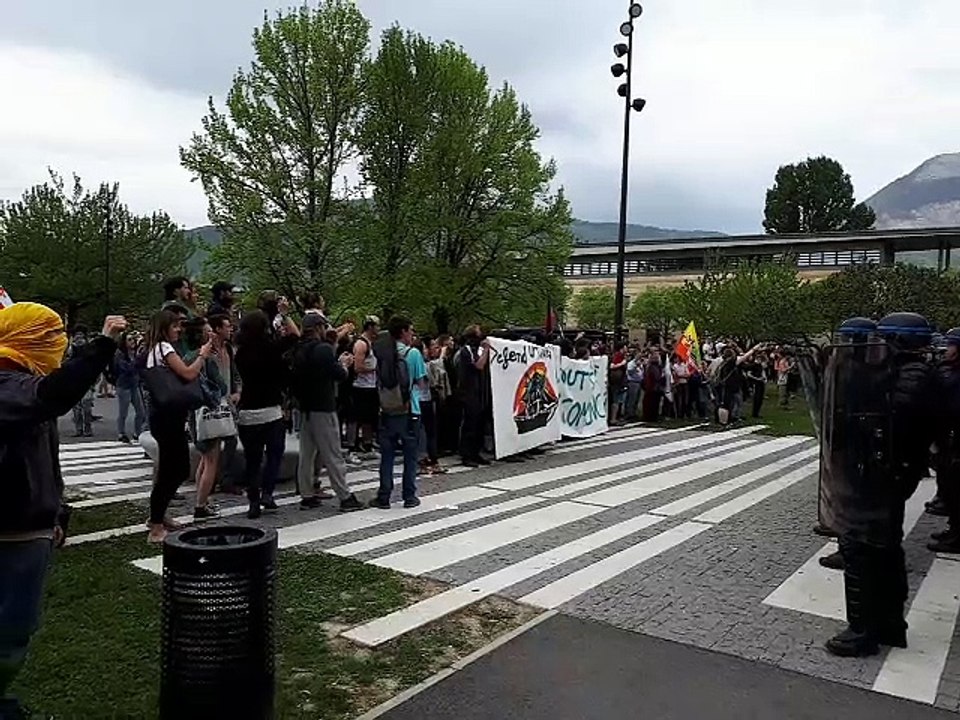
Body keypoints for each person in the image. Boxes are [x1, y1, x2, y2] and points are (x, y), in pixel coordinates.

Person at [0, 304, 126, 719]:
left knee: (17, 631)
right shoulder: (8, 386)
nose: (60, 343)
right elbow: (53, 395)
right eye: (52, 335)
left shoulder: (25, 381)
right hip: (10, 533)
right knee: (9, 635)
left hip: (32, 527)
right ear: (29, 338)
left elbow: (46, 459)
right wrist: (103, 345)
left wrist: (58, 511)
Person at [823, 312, 935, 657]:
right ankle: (887, 624)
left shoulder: (910, 376)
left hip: (882, 476)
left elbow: (887, 426)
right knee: (883, 549)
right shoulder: (900, 372)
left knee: (862, 550)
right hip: (881, 475)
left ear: (899, 342)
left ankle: (863, 630)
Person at [144, 310, 214, 542]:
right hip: (168, 417)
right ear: (164, 328)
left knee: (173, 468)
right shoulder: (164, 348)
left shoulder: (153, 351)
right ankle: (155, 524)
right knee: (174, 470)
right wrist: (202, 355)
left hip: (162, 416)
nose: (178, 330)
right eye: (175, 326)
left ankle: (159, 515)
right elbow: (188, 373)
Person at [290, 314, 363, 512]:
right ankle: (345, 496)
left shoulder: (299, 348)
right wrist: (344, 364)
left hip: (305, 407)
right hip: (323, 406)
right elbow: (338, 374)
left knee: (307, 454)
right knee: (332, 453)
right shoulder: (322, 349)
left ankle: (306, 495)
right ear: (318, 327)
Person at [234, 308, 300, 519]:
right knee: (274, 455)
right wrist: (284, 315)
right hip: (271, 410)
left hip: (248, 411)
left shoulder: (241, 353)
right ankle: (268, 493)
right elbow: (295, 335)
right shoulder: (271, 349)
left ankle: (253, 501)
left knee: (252, 460)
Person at [371, 316, 428, 509]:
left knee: (386, 455)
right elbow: (421, 383)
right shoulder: (413, 354)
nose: (412, 334)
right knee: (410, 455)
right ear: (403, 331)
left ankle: (384, 496)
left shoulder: (382, 352)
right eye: (411, 330)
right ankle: (409, 496)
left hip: (387, 409)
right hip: (409, 409)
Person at [183, 320, 228, 521]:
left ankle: (202, 500)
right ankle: (201, 506)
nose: (212, 335)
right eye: (208, 332)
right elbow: (221, 386)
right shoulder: (206, 360)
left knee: (204, 459)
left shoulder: (185, 357)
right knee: (211, 461)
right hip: (208, 412)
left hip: (194, 413)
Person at [929, 327, 960, 554]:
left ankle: (957, 537)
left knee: (957, 488)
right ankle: (954, 529)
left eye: (950, 346)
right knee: (950, 486)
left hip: (956, 439)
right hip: (949, 438)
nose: (946, 350)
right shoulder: (950, 370)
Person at [458, 326, 492, 467]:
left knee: (479, 425)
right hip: (470, 393)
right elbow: (478, 365)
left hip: (480, 392)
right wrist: (486, 350)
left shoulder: (474, 350)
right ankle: (467, 455)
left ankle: (476, 453)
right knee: (470, 425)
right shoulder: (466, 350)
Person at [352, 315, 380, 457]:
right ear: (370, 326)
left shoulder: (371, 342)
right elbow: (357, 367)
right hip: (362, 386)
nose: (378, 329)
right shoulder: (361, 344)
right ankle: (357, 445)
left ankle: (368, 443)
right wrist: (375, 369)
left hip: (371, 385)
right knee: (362, 416)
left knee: (370, 417)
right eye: (377, 326)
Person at [114, 332, 146, 443]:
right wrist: (136, 362)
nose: (132, 342)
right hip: (124, 385)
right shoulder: (120, 354)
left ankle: (138, 432)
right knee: (123, 411)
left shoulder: (134, 353)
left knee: (141, 411)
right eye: (129, 340)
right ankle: (121, 433)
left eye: (133, 339)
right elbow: (126, 368)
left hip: (134, 384)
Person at [67, 327, 95, 437]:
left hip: (86, 380)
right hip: (74, 379)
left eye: (81, 336)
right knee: (77, 408)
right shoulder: (71, 349)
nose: (79, 339)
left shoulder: (89, 349)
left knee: (86, 406)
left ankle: (87, 428)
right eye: (77, 336)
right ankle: (79, 429)